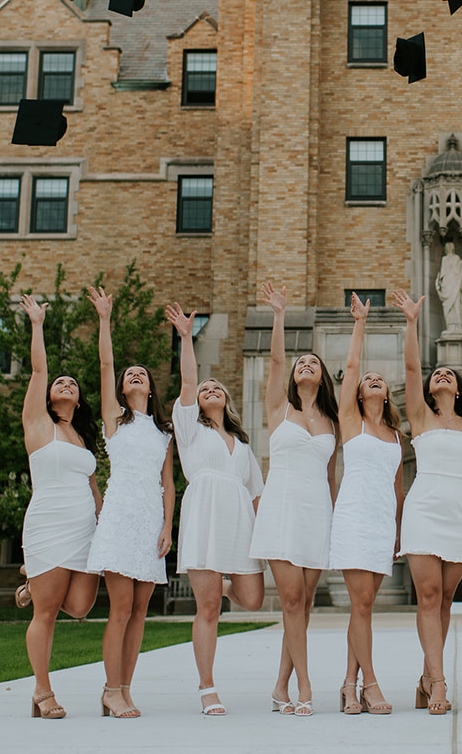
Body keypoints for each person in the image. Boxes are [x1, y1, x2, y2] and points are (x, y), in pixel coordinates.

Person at [168, 302, 266, 717]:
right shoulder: (190, 431)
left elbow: (257, 494)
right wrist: (187, 338)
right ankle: (207, 686)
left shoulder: (243, 445)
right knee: (207, 608)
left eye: (216, 389)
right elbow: (189, 381)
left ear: (226, 400)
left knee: (253, 598)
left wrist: (267, 536)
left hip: (240, 521)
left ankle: (221, 584)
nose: (209, 391)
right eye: (205, 389)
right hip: (205, 514)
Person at [248, 281, 340, 716]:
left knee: (302, 604)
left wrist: (337, 519)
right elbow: (277, 359)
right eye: (301, 362)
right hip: (281, 505)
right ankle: (304, 685)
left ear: (322, 376)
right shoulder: (277, 408)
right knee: (290, 600)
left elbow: (330, 476)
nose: (304, 366)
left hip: (316, 512)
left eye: (313, 363)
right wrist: (280, 315)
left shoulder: (331, 420)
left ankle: (280, 686)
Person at [84, 285, 176, 719]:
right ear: (121, 389)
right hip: (121, 518)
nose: (134, 375)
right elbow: (105, 363)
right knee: (120, 607)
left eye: (142, 373)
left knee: (141, 609)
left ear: (151, 387)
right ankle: (110, 688)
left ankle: (126, 688)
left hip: (150, 522)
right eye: (129, 374)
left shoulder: (164, 431)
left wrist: (167, 528)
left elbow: (169, 483)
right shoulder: (114, 421)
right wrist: (105, 318)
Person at [393, 286, 462, 716]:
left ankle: (427, 677)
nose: (440, 375)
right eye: (436, 374)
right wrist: (411, 322)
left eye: (449, 374)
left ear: (459, 387)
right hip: (425, 508)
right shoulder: (420, 416)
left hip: (457, 516)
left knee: (445, 601)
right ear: (429, 389)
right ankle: (440, 682)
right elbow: (411, 369)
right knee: (428, 596)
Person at [16, 293, 102, 720]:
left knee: (83, 606)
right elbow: (37, 369)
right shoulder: (38, 425)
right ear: (49, 397)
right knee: (47, 613)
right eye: (59, 383)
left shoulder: (82, 441)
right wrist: (37, 324)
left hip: (85, 529)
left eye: (73, 383)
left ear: (79, 400)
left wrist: (104, 522)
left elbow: (92, 485)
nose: (65, 384)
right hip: (49, 524)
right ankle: (43, 691)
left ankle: (34, 584)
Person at [328, 292, 404, 715]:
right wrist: (360, 324)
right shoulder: (350, 422)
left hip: (380, 525)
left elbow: (396, 488)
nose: (372, 379)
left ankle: (347, 686)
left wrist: (395, 531)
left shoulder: (396, 436)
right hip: (354, 518)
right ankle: (370, 685)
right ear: (357, 394)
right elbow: (352, 366)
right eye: (366, 380)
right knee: (361, 605)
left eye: (380, 379)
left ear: (388, 394)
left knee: (365, 607)